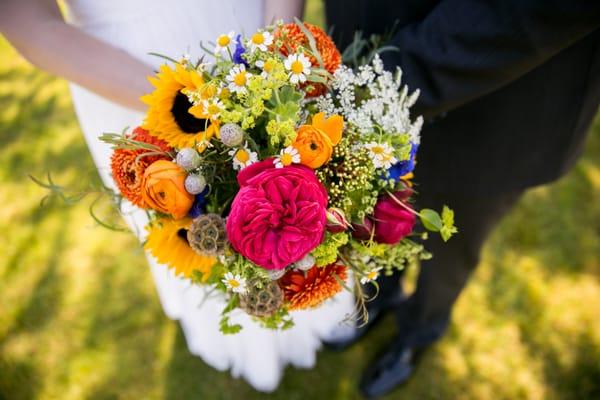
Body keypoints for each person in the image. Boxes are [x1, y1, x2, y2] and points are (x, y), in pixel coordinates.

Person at [0, 0, 355, 392]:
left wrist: (274, 53)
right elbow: (27, 22)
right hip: (124, 76)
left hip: (248, 35)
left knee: (301, 198)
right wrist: (180, 105)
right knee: (203, 230)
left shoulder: (265, 56)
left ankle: (323, 308)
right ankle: (251, 340)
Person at [324, 0, 600, 397]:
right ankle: (379, 297)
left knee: (453, 247)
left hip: (504, 102)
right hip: (371, 42)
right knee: (376, 220)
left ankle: (419, 332)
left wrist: (378, 89)